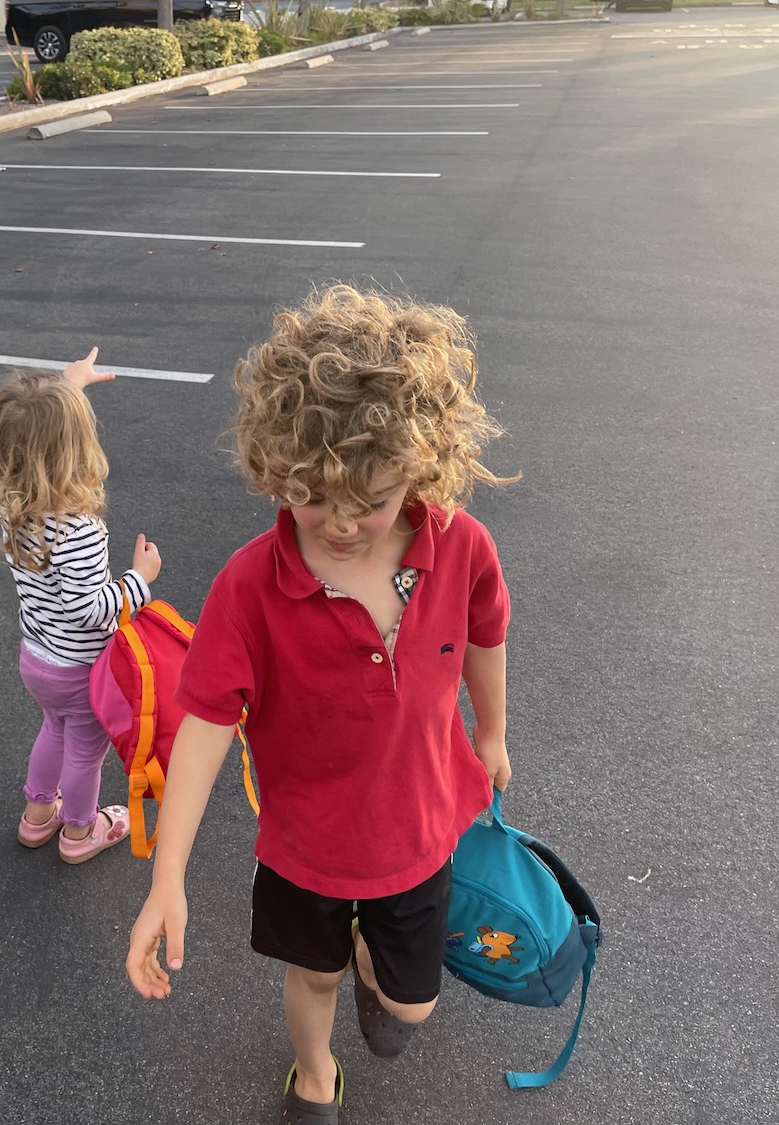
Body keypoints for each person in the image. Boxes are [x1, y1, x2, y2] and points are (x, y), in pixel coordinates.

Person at [125, 287, 517, 1123]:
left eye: (369, 503)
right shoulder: (249, 588)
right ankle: (312, 1076)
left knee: (411, 1006)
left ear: (420, 465)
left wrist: (492, 730)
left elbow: (485, 635)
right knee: (312, 975)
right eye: (312, 498)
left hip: (417, 837)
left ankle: (380, 977)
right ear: (276, 467)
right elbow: (203, 726)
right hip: (304, 851)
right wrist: (168, 872)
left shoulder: (463, 547)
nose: (339, 524)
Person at [0, 349, 162, 865]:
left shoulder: (16, 504)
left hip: (38, 656)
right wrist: (139, 582)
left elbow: (38, 427)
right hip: (80, 667)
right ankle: (81, 832)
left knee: (52, 729)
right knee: (86, 751)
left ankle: (37, 817)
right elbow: (88, 608)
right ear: (75, 450)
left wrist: (70, 382)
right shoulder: (75, 528)